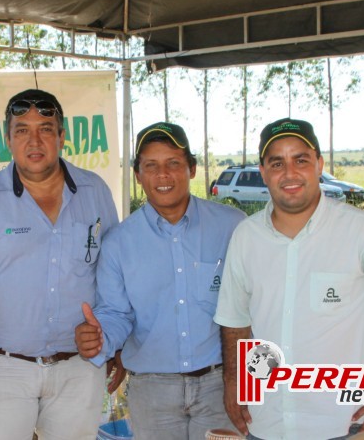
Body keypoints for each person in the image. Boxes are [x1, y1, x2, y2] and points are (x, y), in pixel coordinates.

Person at [213, 118, 364, 439]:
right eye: (277, 163)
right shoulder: (246, 236)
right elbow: (235, 321)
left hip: (344, 422)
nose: (290, 173)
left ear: (319, 164)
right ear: (264, 172)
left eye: (301, 160)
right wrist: (234, 382)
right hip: (268, 423)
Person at [0, 88, 119, 440]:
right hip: (4, 369)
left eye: (45, 128)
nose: (34, 140)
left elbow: (115, 276)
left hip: (79, 367)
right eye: (22, 129)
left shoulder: (95, 191)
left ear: (62, 136)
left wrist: (115, 341)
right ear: (7, 138)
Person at [75, 121, 246, 440]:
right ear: (138, 175)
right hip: (152, 391)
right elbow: (116, 313)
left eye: (173, 164)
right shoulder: (118, 242)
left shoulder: (233, 227)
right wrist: (101, 338)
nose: (163, 175)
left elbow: (253, 304)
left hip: (220, 387)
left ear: (192, 169)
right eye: (151, 166)